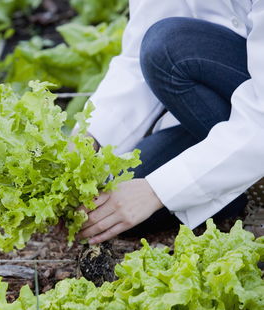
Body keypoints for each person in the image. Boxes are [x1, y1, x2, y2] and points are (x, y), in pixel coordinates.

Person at [77, 0, 264, 245]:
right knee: (114, 203)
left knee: (167, 44)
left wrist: (156, 191)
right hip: (226, 105)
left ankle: (247, 181)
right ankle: (242, 185)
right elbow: (136, 60)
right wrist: (87, 138)